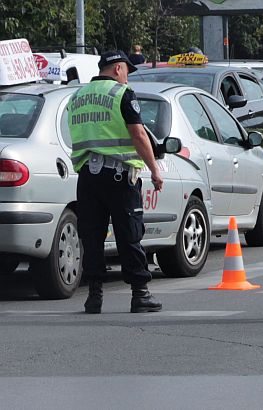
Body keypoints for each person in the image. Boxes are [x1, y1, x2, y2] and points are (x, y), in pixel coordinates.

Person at [68, 50, 164, 314]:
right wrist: (154, 169)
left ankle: (94, 296)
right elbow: (138, 134)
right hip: (120, 176)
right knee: (129, 234)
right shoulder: (121, 94)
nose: (127, 79)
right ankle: (140, 294)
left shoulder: (77, 97)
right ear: (118, 68)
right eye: (127, 72)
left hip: (88, 177)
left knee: (92, 236)